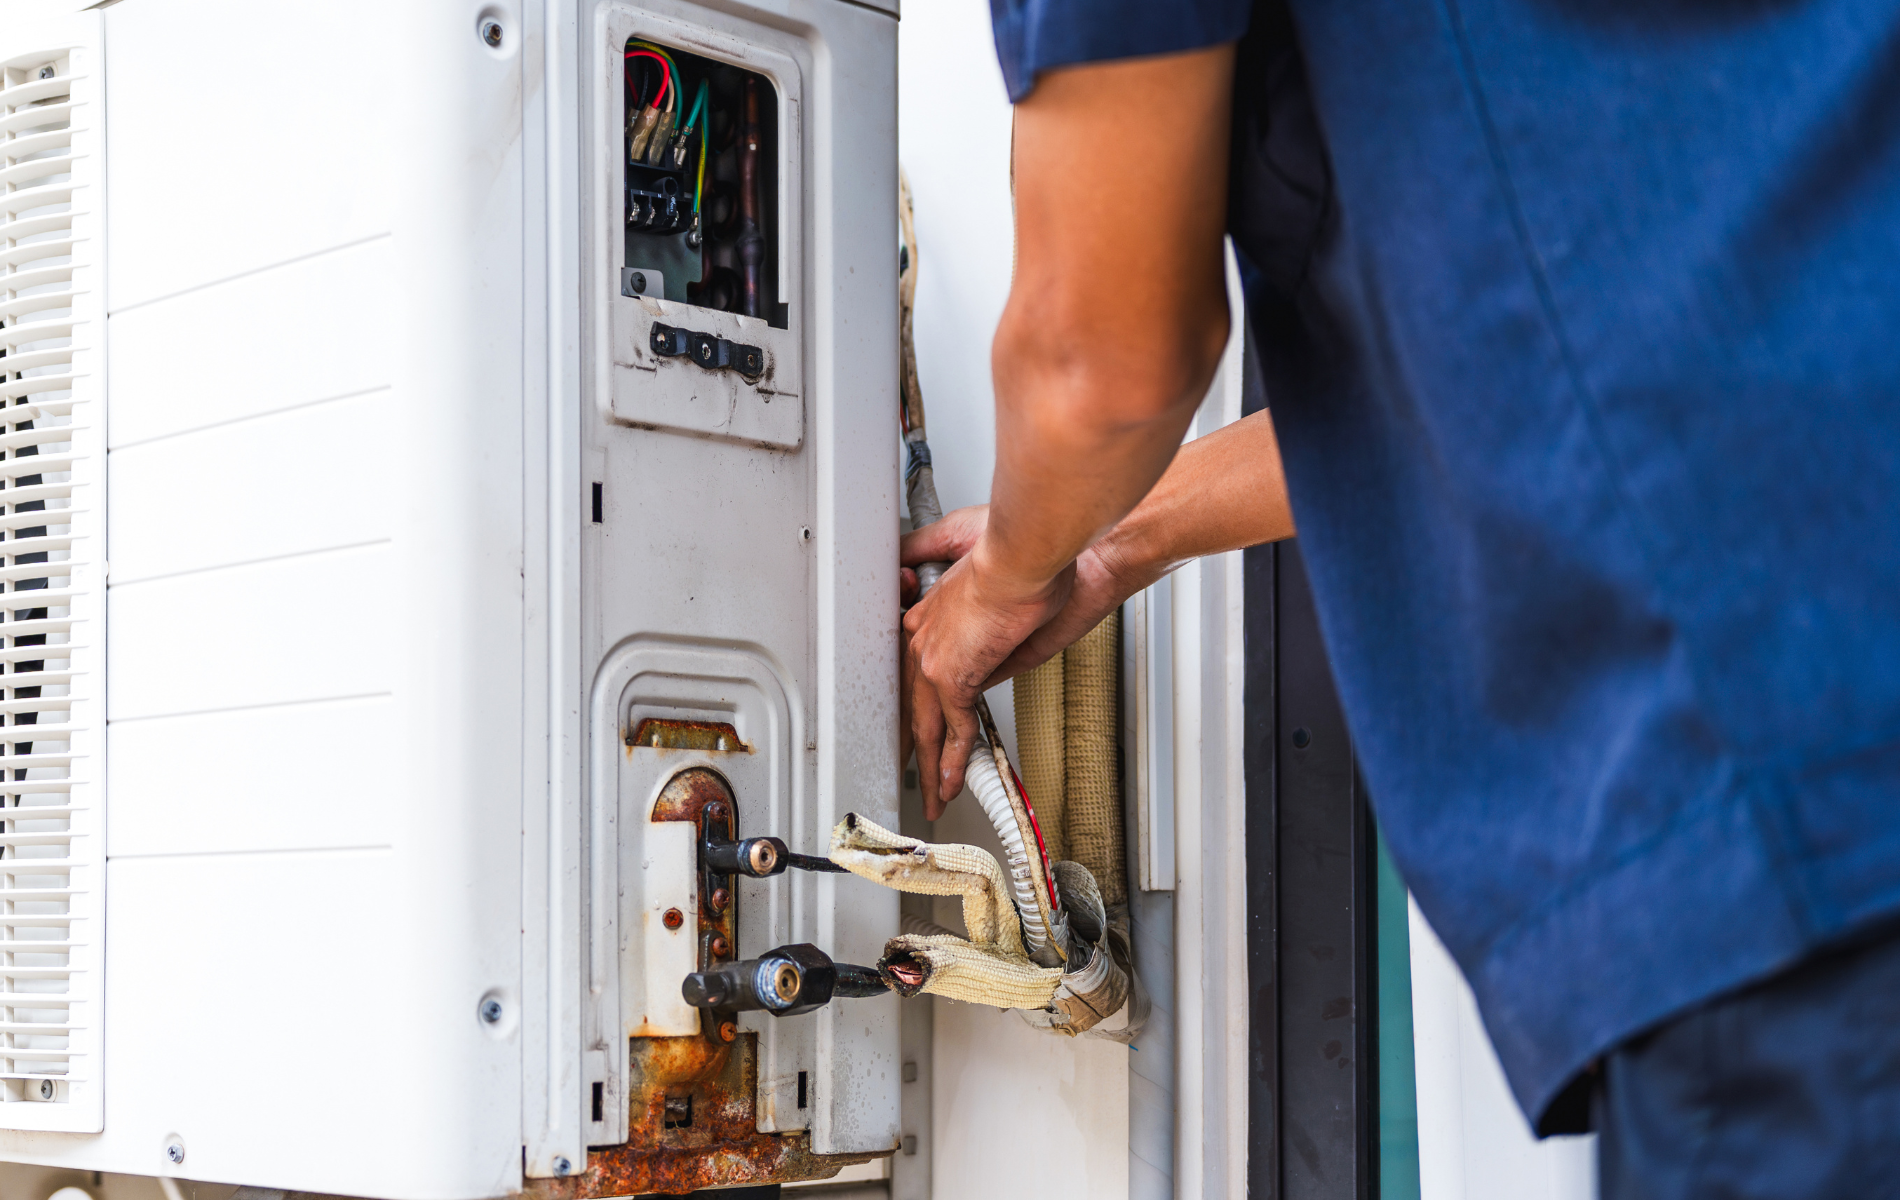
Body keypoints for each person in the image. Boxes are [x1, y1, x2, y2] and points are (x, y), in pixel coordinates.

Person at [896, 1, 1900, 1195]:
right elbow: (1529, 340)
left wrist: (1003, 579)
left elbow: (1100, 357)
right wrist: (1111, 545)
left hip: (1792, 803)